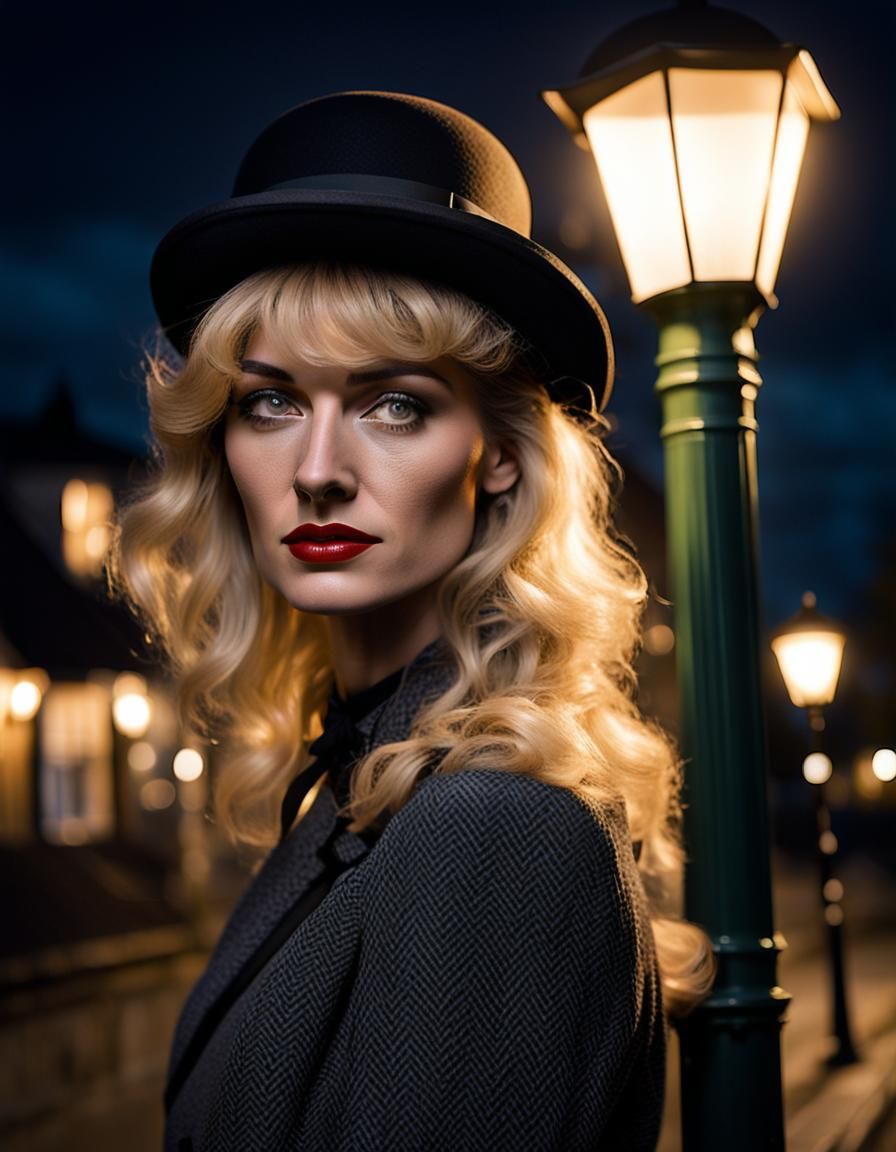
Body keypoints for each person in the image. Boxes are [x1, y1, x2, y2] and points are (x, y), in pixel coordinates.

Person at [109, 90, 714, 1152]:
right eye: (271, 403)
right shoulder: (362, 791)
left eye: (395, 404)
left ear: (502, 456)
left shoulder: (492, 828)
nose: (318, 472)